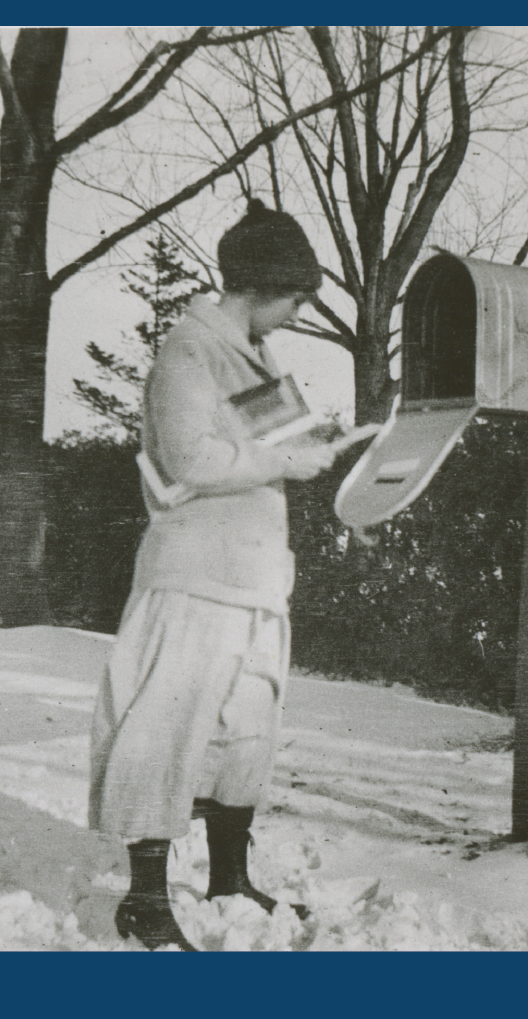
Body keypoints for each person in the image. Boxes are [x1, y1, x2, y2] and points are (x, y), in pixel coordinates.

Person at [88, 199, 337, 951]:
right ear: (263, 285)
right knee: (165, 727)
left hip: (257, 579)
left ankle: (230, 876)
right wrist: (291, 458)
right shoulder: (188, 352)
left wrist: (335, 442)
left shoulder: (254, 357)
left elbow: (288, 442)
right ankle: (144, 898)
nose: (298, 313)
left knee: (245, 728)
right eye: (296, 298)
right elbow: (189, 459)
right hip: (196, 576)